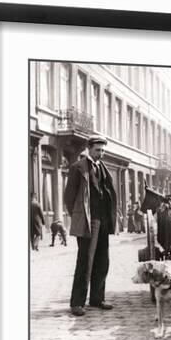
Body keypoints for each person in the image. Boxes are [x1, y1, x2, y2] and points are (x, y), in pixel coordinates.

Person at [64, 135, 117, 317]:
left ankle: (97, 298)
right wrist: (79, 217)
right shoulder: (77, 168)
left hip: (103, 221)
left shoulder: (102, 167)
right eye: (97, 150)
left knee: (103, 260)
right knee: (85, 261)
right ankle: (77, 303)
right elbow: (69, 198)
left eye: (103, 151)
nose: (100, 154)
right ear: (88, 149)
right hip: (88, 221)